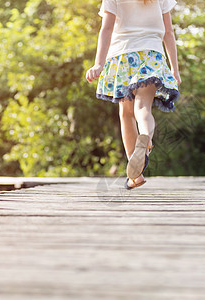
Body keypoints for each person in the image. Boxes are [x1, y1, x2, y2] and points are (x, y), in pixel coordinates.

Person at [86, 0, 181, 189]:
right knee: (143, 107)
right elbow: (169, 33)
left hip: (123, 56)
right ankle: (145, 136)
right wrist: (175, 70)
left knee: (126, 114)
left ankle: (135, 176)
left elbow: (106, 30)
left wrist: (98, 64)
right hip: (152, 56)